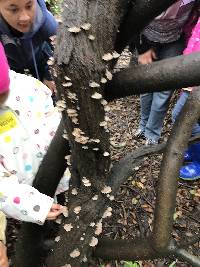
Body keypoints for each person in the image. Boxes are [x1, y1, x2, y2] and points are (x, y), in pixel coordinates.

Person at [0, 42, 69, 266]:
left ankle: (58, 219)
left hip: (55, 170)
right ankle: (42, 232)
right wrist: (33, 206)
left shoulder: (29, 86)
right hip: (23, 188)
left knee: (60, 200)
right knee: (40, 219)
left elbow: (56, 119)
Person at [133, 0, 199, 145]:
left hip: (174, 41)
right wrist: (142, 48)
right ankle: (143, 126)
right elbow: (132, 19)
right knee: (145, 86)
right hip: (146, 40)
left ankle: (152, 133)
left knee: (163, 90)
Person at [0, 0, 57, 92]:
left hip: (40, 60)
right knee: (16, 96)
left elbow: (56, 53)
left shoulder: (48, 25)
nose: (25, 17)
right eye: (14, 9)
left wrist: (48, 75)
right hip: (12, 64)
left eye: (29, 6)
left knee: (48, 92)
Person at [172, 16, 200, 181]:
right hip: (190, 74)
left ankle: (198, 161)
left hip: (196, 81)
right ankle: (194, 149)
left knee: (181, 116)